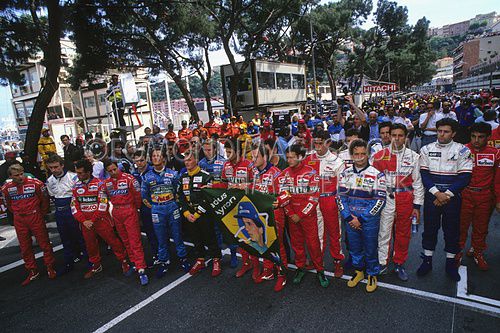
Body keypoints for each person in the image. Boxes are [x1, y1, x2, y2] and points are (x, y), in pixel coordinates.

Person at [418, 118, 473, 281]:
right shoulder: (426, 149)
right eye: (439, 131)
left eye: (446, 131)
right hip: (432, 196)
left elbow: (465, 177)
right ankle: (427, 261)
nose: (441, 134)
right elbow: (424, 174)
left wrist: (446, 194)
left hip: (452, 198)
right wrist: (437, 193)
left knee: (452, 231)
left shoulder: (463, 150)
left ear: (453, 133)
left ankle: (450, 263)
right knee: (429, 229)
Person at [372, 124, 424, 281]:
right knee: (384, 232)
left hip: (405, 199)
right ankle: (382, 263)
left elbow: (417, 183)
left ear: (405, 137)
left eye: (400, 135)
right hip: (386, 199)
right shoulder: (379, 156)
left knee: (403, 234)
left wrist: (417, 206)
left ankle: (399, 263)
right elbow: (373, 181)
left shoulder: (414, 156)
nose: (396, 138)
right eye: (393, 135)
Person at [276, 144, 328, 288]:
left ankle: (320, 269)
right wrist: (291, 214)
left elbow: (314, 197)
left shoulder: (311, 173)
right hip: (292, 216)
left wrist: (301, 214)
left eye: (292, 157)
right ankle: (300, 267)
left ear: (300, 156)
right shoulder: (284, 174)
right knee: (297, 245)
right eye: (287, 157)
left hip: (308, 216)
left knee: (313, 244)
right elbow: (282, 196)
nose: (289, 160)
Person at [338, 139, 386, 292]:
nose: (359, 157)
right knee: (354, 248)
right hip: (350, 219)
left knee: (371, 248)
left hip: (369, 220)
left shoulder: (378, 175)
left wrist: (361, 219)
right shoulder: (345, 173)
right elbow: (340, 197)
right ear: (351, 156)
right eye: (356, 154)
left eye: (363, 154)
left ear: (368, 155)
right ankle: (359, 272)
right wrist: (348, 217)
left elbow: (380, 201)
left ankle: (372, 273)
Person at [71, 159, 131, 279]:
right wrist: (83, 221)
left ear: (88, 172)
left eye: (80, 173)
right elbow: (73, 206)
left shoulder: (100, 184)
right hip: (85, 222)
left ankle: (124, 261)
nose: (78, 175)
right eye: (77, 173)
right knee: (90, 245)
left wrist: (92, 220)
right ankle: (96, 265)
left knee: (113, 241)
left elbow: (103, 205)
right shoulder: (75, 186)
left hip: (101, 220)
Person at [1, 164, 56, 286]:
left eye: (21, 174)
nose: (20, 177)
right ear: (10, 176)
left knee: (44, 243)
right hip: (19, 219)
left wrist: (41, 213)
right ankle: (33, 271)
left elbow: (45, 200)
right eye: (16, 175)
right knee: (25, 247)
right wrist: (17, 213)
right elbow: (8, 204)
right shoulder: (6, 188)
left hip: (35, 216)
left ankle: (50, 267)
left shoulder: (36, 183)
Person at [141, 148, 191, 278]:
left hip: (172, 207)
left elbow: (179, 192)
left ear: (164, 158)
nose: (155, 158)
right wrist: (153, 207)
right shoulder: (147, 177)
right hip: (157, 209)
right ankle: (164, 261)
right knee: (160, 237)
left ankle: (183, 259)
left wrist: (175, 204)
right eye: (153, 156)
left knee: (177, 234)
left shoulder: (173, 174)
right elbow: (144, 196)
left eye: (158, 155)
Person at [457, 122, 500, 270]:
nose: (476, 140)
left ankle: (478, 252)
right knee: (461, 227)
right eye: (473, 136)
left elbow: (498, 179)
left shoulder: (495, 153)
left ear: (488, 137)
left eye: (480, 137)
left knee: (481, 228)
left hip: (485, 196)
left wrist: (498, 200)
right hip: (465, 194)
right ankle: (457, 254)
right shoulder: (462, 150)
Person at [305, 131, 345, 278]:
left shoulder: (337, 161)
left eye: (321, 143)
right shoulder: (308, 158)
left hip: (330, 199)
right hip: (313, 199)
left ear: (328, 143)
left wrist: (340, 204)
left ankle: (337, 262)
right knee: (316, 233)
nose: (317, 146)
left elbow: (342, 186)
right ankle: (317, 261)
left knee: (334, 233)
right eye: (315, 143)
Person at [101, 160, 148, 285]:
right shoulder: (106, 183)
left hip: (129, 210)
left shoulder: (129, 179)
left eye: (114, 169)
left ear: (118, 167)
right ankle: (134, 263)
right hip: (116, 212)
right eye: (110, 171)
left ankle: (141, 268)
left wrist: (136, 209)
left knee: (134, 240)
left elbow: (138, 196)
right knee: (125, 240)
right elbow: (103, 196)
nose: (113, 172)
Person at [212, 139, 255, 274]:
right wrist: (211, 187)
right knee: (239, 236)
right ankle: (246, 263)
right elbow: (224, 184)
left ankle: (256, 266)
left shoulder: (249, 165)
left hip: (248, 206)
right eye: (226, 151)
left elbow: (257, 185)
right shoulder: (226, 166)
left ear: (237, 151)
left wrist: (245, 186)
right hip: (232, 207)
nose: (227, 154)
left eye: (230, 152)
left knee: (251, 237)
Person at [250, 144, 287, 292]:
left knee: (277, 245)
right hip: (258, 213)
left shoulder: (277, 173)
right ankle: (268, 270)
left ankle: (282, 273)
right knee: (263, 242)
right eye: (251, 157)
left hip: (275, 213)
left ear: (265, 157)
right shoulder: (253, 172)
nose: (253, 159)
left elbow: (286, 193)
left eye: (256, 157)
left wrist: (279, 201)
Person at [178, 149, 222, 277]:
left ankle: (216, 259)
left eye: (190, 160)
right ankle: (200, 259)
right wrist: (186, 213)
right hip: (189, 215)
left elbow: (208, 199)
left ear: (196, 160)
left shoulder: (206, 176)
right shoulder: (183, 177)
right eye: (185, 160)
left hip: (204, 214)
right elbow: (180, 197)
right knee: (196, 238)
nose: (187, 162)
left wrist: (197, 214)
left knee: (210, 237)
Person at [45, 154, 87, 275]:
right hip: (59, 211)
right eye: (51, 167)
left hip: (72, 209)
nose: (54, 170)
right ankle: (69, 261)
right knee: (65, 237)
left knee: (80, 236)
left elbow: (80, 194)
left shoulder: (73, 177)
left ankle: (91, 261)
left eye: (56, 167)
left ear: (62, 165)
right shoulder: (49, 180)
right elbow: (52, 196)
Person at [132, 150, 158, 265]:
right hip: (143, 208)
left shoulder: (154, 171)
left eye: (142, 160)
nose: (140, 163)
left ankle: (164, 253)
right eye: (137, 161)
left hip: (156, 205)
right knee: (149, 232)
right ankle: (156, 253)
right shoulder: (133, 174)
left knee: (160, 231)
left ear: (146, 159)